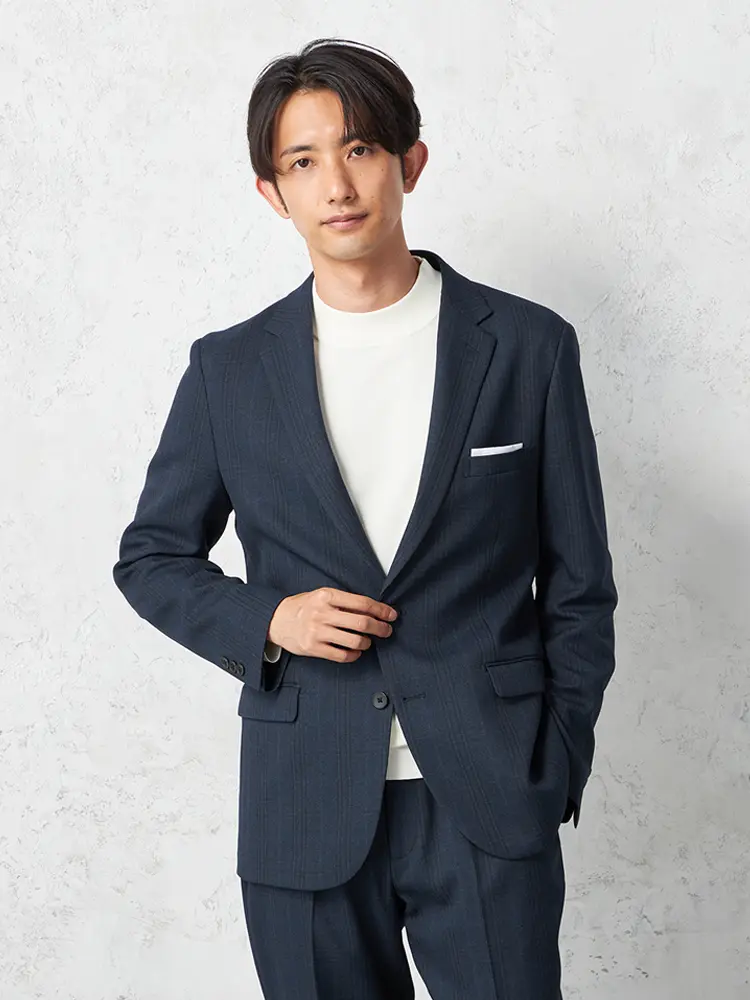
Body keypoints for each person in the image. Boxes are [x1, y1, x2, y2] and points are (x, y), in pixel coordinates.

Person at [112, 36, 618, 1000]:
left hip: (487, 791)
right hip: (303, 800)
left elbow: (581, 584)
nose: (337, 185)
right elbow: (151, 558)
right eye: (303, 162)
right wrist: (270, 618)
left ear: (409, 162)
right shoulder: (229, 370)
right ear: (272, 192)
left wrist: (556, 759)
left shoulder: (527, 347)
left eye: (359, 150)